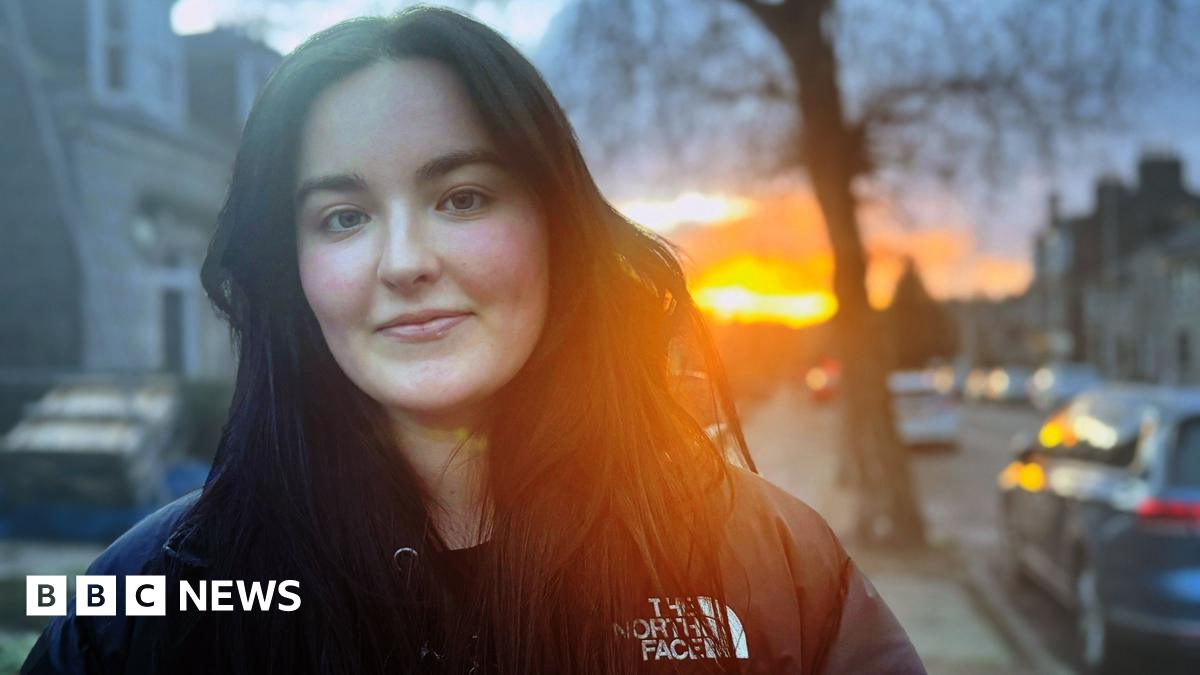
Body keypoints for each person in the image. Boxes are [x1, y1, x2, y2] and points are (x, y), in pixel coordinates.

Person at [22, 7, 923, 674]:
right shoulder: (143, 604)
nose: (405, 261)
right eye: (342, 217)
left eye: (463, 198)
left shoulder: (773, 567)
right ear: (288, 268)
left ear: (555, 226)